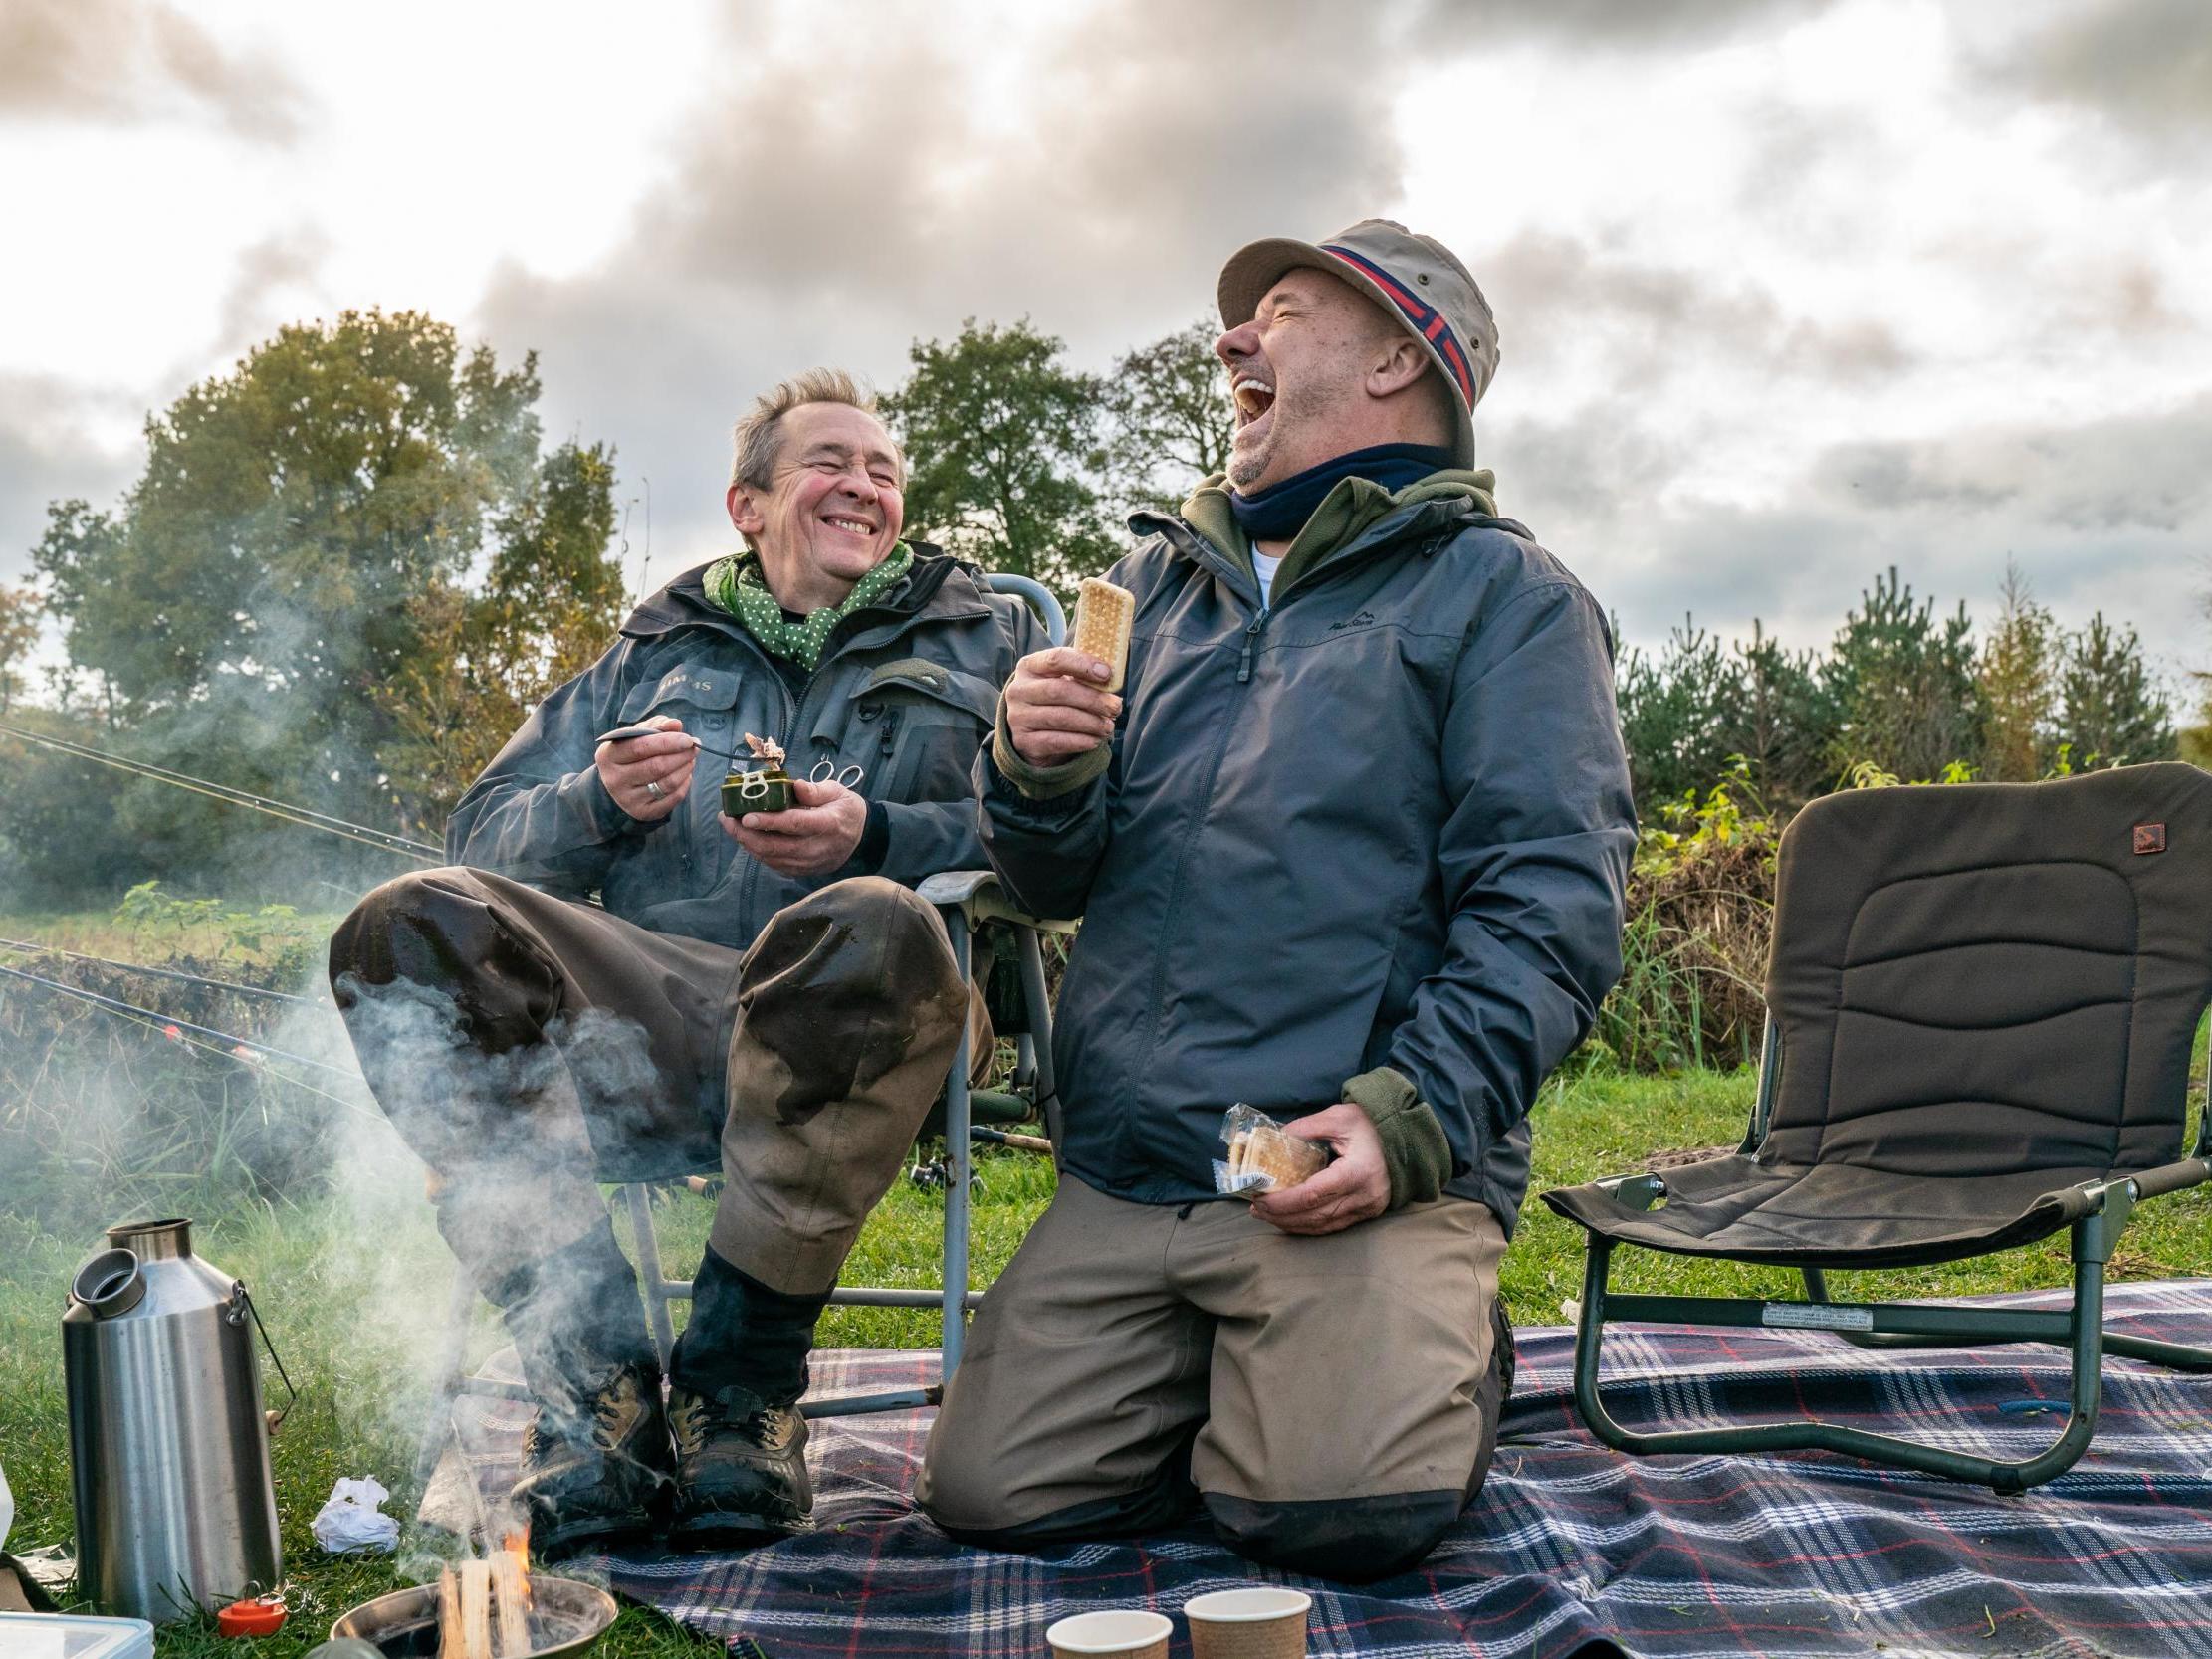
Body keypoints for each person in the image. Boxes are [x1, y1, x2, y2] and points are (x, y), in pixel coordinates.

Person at [915, 221, 1637, 1580]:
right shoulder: (1147, 590)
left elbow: (1549, 903)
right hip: (1137, 1166)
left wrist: (1405, 1116)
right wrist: (1033, 770)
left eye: (1281, 311)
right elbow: (1049, 878)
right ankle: (1237, 1366)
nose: (1232, 337)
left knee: (1329, 1509)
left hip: (1333, 1159)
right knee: (988, 1495)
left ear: (1393, 363)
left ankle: (1416, 1344)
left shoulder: (1505, 598)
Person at [330, 369, 1043, 1554]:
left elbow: (1057, 841)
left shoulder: (991, 636)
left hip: (884, 1003)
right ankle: (595, 1383)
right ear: (748, 504)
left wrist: (877, 837)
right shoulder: (647, 650)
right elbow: (481, 837)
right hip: (661, 1007)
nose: (863, 483)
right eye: (829, 460)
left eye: (883, 469)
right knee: (407, 918)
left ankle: (737, 1389)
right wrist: (593, 802)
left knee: (869, 913)